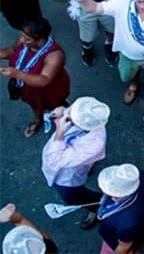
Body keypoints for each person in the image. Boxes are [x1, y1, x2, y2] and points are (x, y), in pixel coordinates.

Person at [40, 96, 109, 230]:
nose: (70, 116)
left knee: (73, 197)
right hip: (74, 161)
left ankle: (98, 206)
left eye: (72, 118)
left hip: (67, 177)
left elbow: (55, 161)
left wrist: (60, 131)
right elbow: (70, 110)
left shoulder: (94, 145)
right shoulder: (86, 107)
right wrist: (63, 111)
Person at [0, 18, 70, 138]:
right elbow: (13, 50)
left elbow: (44, 80)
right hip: (29, 87)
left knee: (58, 106)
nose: (22, 40)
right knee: (34, 104)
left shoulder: (55, 55)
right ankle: (38, 121)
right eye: (21, 35)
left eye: (27, 38)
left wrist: (17, 74)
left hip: (49, 90)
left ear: (40, 39)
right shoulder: (24, 40)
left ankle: (67, 123)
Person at [95, 164, 144, 253]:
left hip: (117, 241)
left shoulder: (128, 225)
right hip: (114, 233)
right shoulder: (135, 179)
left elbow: (124, 247)